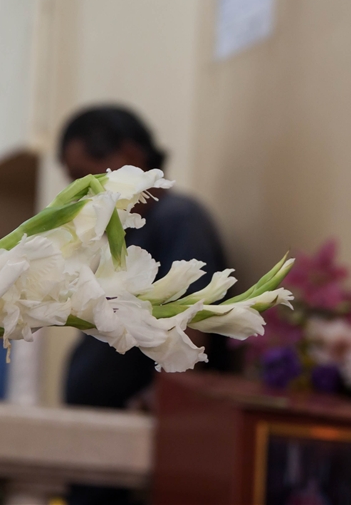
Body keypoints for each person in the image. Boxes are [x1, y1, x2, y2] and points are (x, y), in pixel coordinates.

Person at [61, 106, 228, 505]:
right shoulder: (127, 230)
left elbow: (193, 318)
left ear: (132, 156)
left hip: (135, 446)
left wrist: (158, 399)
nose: (87, 195)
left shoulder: (179, 219)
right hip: (101, 445)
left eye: (91, 177)